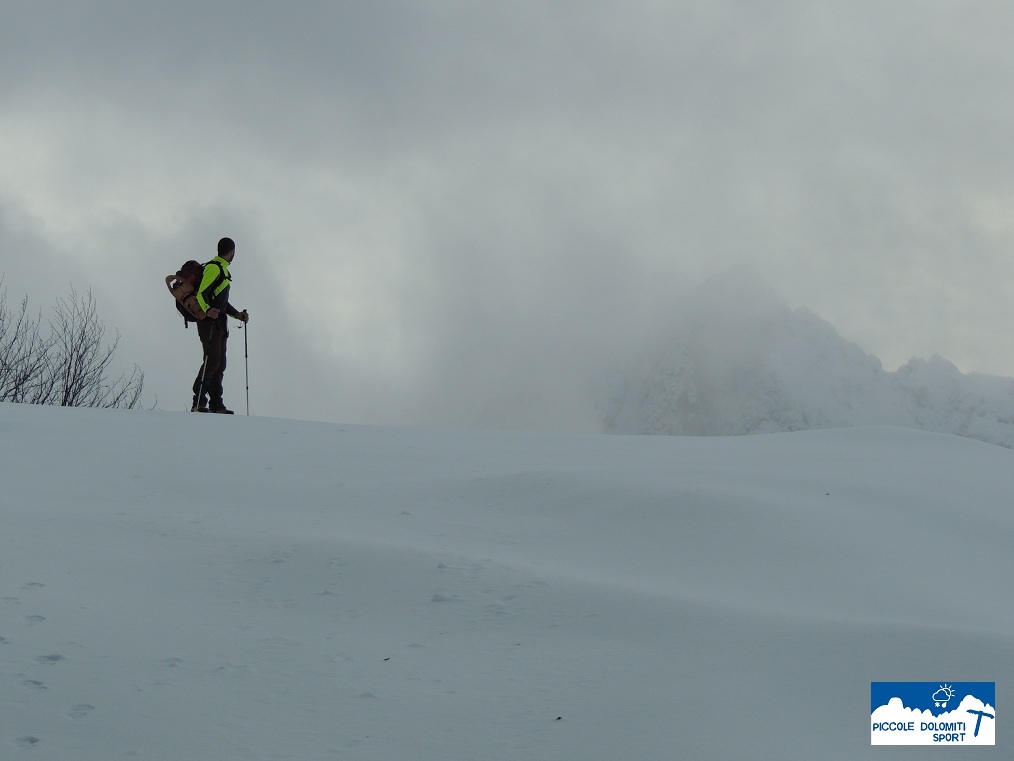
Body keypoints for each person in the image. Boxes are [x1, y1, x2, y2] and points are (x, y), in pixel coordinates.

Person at [192, 237, 249, 413]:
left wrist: (237, 314)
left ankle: (216, 404)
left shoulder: (222, 270)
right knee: (212, 361)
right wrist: (208, 310)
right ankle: (199, 401)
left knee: (220, 363)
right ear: (232, 251)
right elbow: (202, 293)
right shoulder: (214, 268)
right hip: (209, 323)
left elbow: (222, 303)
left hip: (220, 324)